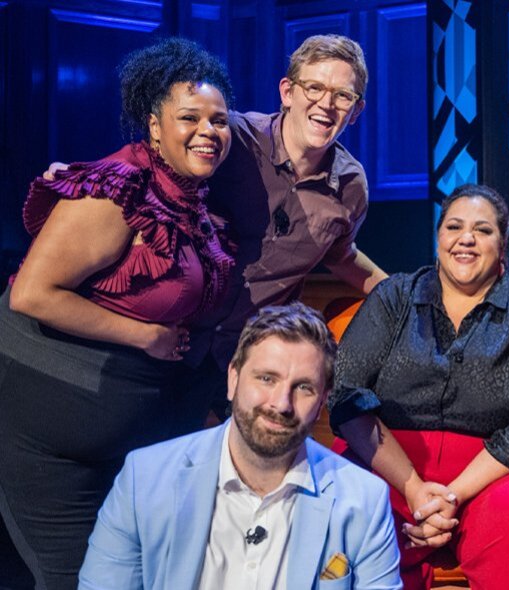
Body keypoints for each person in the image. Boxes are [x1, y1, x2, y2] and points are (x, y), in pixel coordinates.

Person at [45, 34, 389, 435]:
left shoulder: (350, 185)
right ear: (288, 92)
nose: (326, 105)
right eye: (314, 88)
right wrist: (82, 175)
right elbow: (150, 166)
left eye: (342, 96)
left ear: (357, 109)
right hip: (164, 342)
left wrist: (402, 293)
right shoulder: (230, 137)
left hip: (242, 358)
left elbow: (341, 254)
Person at [0, 38, 234, 589]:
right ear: (154, 126)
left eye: (219, 120)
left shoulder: (188, 198)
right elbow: (32, 294)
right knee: (73, 579)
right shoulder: (116, 191)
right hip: (43, 436)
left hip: (124, 441)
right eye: (189, 117)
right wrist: (144, 336)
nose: (208, 130)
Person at [328, 184, 509, 589]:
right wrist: (412, 488)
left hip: (499, 471)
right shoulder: (394, 296)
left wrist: (450, 496)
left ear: (503, 243)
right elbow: (346, 395)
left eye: (483, 230)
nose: (466, 238)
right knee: (344, 504)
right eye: (454, 227)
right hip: (389, 462)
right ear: (438, 236)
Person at [79, 304, 401, 590]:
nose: (281, 403)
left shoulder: (364, 499)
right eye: (266, 379)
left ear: (322, 403)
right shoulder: (145, 479)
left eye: (303, 387)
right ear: (233, 379)